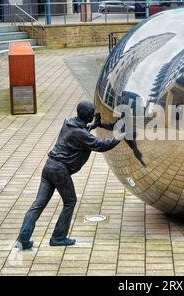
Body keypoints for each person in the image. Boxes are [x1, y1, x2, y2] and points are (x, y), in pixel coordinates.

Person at [15, 101, 125, 250]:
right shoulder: (80, 134)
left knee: (38, 204)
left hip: (49, 166)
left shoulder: (69, 123)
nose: (93, 115)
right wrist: (121, 135)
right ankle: (58, 237)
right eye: (92, 114)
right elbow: (101, 145)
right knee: (70, 201)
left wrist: (94, 125)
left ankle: (23, 239)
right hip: (60, 170)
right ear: (87, 115)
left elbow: (82, 130)